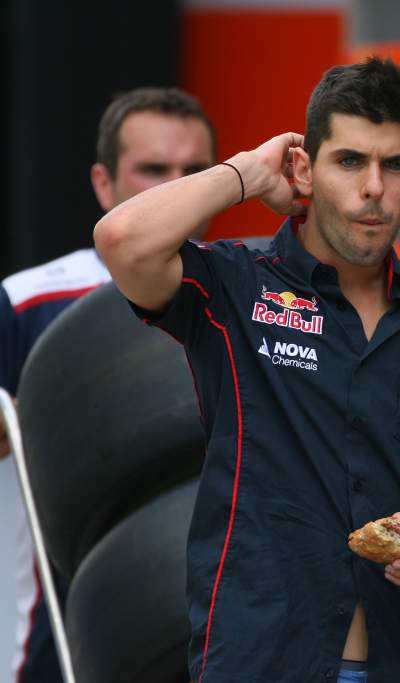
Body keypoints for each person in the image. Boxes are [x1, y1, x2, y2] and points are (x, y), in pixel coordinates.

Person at [93, 57, 400, 683]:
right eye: (350, 161)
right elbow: (122, 239)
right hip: (262, 660)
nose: (373, 190)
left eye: (394, 165)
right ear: (305, 168)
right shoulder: (235, 284)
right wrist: (249, 172)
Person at [0, 86, 216, 683]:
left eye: (195, 171)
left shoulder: (255, 297)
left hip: (231, 631)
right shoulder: (29, 302)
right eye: (153, 169)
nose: (176, 186)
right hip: (63, 632)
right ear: (104, 183)